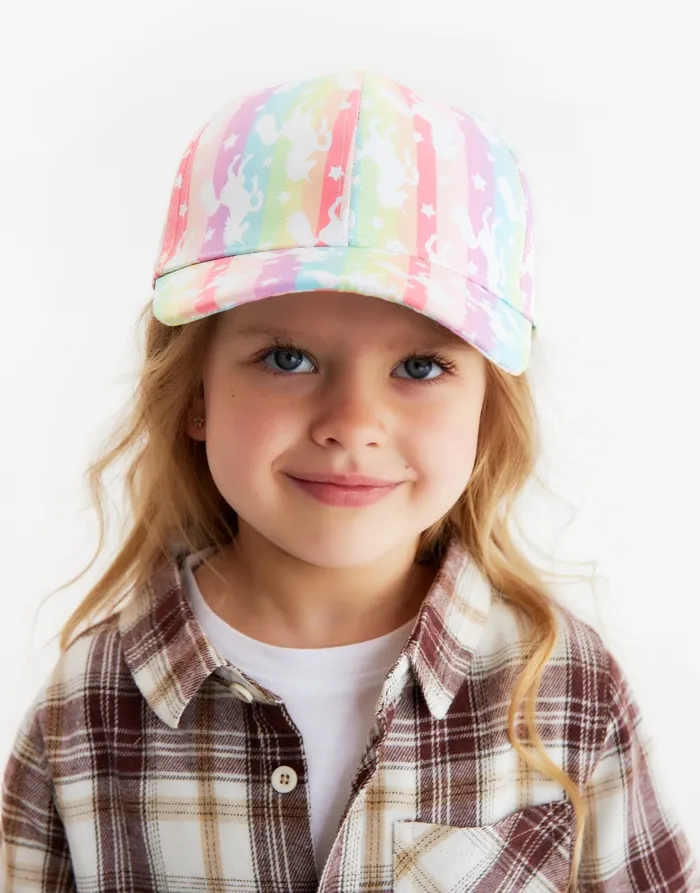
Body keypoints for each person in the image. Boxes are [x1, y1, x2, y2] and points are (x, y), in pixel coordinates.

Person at [1, 70, 697, 893]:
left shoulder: (564, 693)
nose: (353, 422)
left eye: (420, 366)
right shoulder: (90, 707)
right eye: (286, 358)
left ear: (486, 412)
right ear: (194, 395)